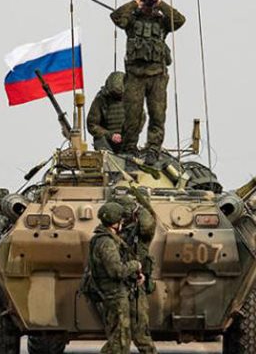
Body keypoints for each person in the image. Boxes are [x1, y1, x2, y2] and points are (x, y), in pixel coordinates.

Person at [110, 0, 186, 164]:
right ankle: (129, 148)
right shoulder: (131, 20)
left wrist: (160, 4)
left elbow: (180, 20)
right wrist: (135, 3)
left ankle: (153, 149)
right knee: (132, 115)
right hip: (135, 76)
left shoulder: (162, 22)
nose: (148, 3)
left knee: (157, 115)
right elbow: (116, 17)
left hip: (157, 76)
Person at [89, 202, 143, 354]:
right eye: (121, 220)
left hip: (113, 294)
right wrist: (135, 265)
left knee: (120, 339)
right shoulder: (107, 243)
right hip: (114, 295)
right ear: (115, 222)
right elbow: (117, 271)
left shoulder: (103, 239)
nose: (123, 223)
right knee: (120, 339)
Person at [119, 191, 158, 354]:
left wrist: (139, 208)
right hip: (115, 284)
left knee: (140, 330)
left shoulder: (140, 232)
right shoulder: (112, 231)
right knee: (118, 334)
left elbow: (148, 226)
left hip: (134, 283)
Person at [88, 71, 127, 153]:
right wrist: (110, 135)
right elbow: (92, 124)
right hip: (105, 142)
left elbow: (140, 118)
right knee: (100, 140)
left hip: (126, 141)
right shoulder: (101, 99)